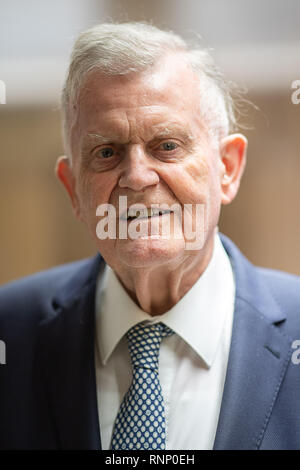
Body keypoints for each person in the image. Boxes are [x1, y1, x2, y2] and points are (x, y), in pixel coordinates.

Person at [0, 22, 300, 451]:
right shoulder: (9, 333)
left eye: (167, 145)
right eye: (106, 152)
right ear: (73, 190)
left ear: (228, 168)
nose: (137, 178)